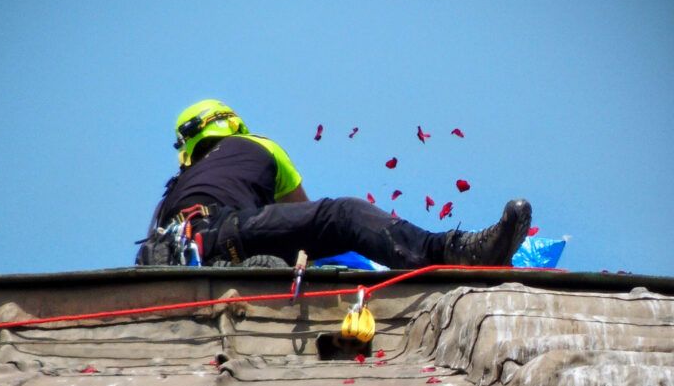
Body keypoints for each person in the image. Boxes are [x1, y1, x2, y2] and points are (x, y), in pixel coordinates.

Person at [136, 99, 532, 269]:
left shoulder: (174, 191)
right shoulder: (256, 146)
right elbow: (306, 220)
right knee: (342, 215)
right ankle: (453, 251)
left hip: (174, 251)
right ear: (233, 125)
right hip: (228, 234)